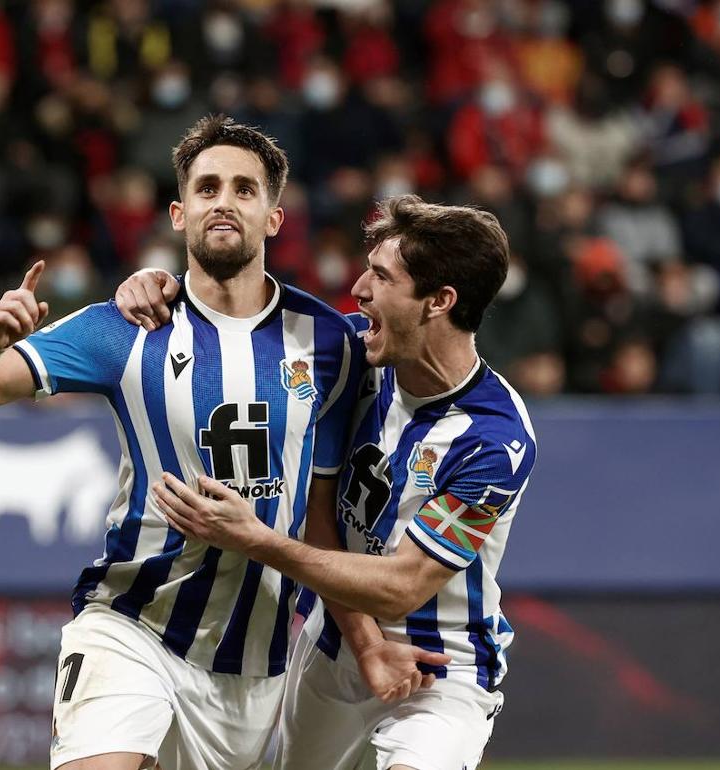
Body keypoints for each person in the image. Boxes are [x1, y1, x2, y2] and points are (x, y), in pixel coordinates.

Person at [0, 116, 434, 770]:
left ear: (274, 218)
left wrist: (365, 644)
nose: (224, 200)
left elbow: (319, 514)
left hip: (258, 668)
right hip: (133, 626)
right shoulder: (125, 326)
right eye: (208, 187)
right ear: (179, 212)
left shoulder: (331, 344)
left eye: (245, 190)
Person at [120, 195, 536, 770]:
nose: (359, 290)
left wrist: (254, 539)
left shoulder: (494, 440)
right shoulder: (350, 361)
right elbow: (234, 326)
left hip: (441, 669)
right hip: (333, 642)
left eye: (382, 277)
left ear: (439, 302)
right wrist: (154, 286)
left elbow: (403, 586)